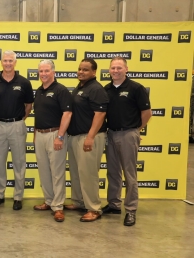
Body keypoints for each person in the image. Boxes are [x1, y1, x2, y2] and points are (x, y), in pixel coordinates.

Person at [103, 57, 152, 226]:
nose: (115, 71)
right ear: (109, 70)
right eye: (113, 68)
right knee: (113, 172)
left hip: (128, 134)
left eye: (119, 68)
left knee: (130, 174)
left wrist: (135, 131)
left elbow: (147, 113)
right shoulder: (106, 89)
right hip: (111, 134)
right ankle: (114, 204)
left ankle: (131, 209)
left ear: (126, 69)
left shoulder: (136, 88)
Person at [0, 50, 33, 211]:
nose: (8, 63)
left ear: (15, 62)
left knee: (19, 162)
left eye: (10, 61)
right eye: (5, 60)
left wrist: (20, 119)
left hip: (17, 125)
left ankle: (18, 196)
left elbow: (29, 105)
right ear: (1, 62)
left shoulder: (24, 82)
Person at [65, 58, 108, 222]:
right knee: (77, 172)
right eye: (80, 69)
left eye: (85, 70)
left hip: (89, 137)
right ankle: (79, 201)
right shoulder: (81, 87)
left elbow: (100, 114)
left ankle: (94, 208)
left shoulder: (96, 89)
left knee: (88, 173)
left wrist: (90, 137)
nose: (81, 72)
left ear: (94, 72)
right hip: (76, 136)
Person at [32, 60, 72, 222]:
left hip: (55, 134)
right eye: (41, 71)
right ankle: (49, 201)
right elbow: (38, 114)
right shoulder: (39, 91)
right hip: (40, 135)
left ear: (53, 72)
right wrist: (35, 135)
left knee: (57, 172)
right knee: (44, 171)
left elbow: (67, 114)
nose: (43, 74)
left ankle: (58, 206)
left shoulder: (60, 90)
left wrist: (60, 136)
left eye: (46, 71)